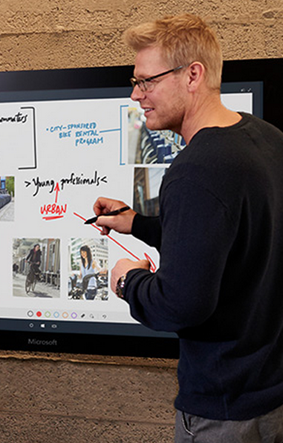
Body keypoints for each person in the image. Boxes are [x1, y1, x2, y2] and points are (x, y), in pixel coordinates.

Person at [91, 14, 283, 441]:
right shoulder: (266, 139)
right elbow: (233, 237)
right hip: (269, 395)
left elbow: (181, 305)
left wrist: (128, 281)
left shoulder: (194, 170)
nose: (136, 94)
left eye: (147, 82)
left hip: (225, 413)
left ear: (193, 74)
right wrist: (138, 223)